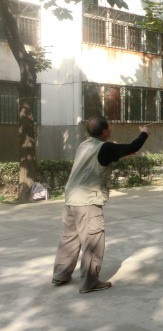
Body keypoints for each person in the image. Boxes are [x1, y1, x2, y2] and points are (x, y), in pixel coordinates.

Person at [52, 116, 150, 293]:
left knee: (69, 239)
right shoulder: (105, 147)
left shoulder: (84, 145)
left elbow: (101, 159)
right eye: (109, 128)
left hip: (71, 200)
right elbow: (133, 146)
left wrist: (121, 155)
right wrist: (144, 133)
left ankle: (61, 274)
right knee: (93, 242)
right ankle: (90, 282)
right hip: (87, 202)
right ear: (104, 131)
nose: (110, 130)